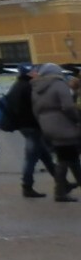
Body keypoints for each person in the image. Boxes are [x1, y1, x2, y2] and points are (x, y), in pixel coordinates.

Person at [28, 63, 80, 200]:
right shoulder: (59, 84)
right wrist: (77, 119)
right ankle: (59, 192)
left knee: (70, 157)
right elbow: (68, 106)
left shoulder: (36, 87)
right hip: (64, 125)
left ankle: (64, 189)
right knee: (65, 159)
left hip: (47, 126)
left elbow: (35, 110)